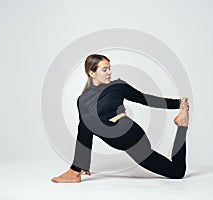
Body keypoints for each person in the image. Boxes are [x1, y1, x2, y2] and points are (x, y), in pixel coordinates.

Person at [51, 54, 190, 183]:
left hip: (130, 133)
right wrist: (84, 161)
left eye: (109, 69)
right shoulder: (82, 100)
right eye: (104, 69)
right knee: (177, 172)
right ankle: (182, 125)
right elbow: (85, 133)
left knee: (86, 122)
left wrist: (178, 103)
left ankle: (75, 172)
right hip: (120, 141)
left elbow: (145, 99)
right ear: (91, 73)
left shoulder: (117, 86)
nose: (109, 73)